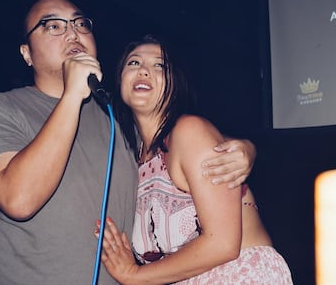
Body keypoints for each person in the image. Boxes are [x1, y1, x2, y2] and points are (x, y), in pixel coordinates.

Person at [0, 0, 256, 284]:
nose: (72, 32)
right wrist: (72, 94)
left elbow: (182, 144)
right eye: (53, 26)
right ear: (26, 53)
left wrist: (245, 149)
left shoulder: (115, 121)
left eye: (80, 24)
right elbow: (20, 199)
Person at [96, 35, 293, 284]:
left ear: (175, 83)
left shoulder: (189, 130)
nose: (144, 70)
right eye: (134, 63)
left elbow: (222, 243)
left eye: (159, 65)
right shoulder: (132, 158)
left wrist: (133, 275)